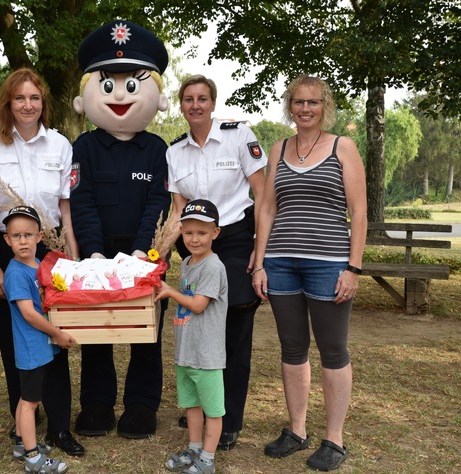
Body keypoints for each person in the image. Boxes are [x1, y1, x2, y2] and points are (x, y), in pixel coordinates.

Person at [251, 74, 367, 471]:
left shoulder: (343, 147)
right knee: (292, 347)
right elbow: (266, 208)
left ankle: (334, 439)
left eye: (313, 102)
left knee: (333, 350)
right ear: (290, 106)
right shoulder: (278, 148)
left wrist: (353, 268)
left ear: (325, 107)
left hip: (328, 264)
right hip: (281, 262)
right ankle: (296, 430)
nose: (305, 109)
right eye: (298, 102)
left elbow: (360, 212)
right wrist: (260, 260)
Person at [0, 68, 84, 456]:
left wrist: (72, 255)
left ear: (43, 103)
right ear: (8, 102)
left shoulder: (60, 145)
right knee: (16, 341)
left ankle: (60, 428)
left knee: (56, 335)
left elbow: (66, 208)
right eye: (19, 98)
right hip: (6, 248)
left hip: (49, 247)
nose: (27, 105)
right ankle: (24, 424)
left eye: (34, 98)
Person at [69, 19, 171, 439]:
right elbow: (81, 201)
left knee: (147, 332)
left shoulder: (158, 149)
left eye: (134, 82)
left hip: (144, 257)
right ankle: (96, 402)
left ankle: (142, 405)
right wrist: (93, 252)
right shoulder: (85, 148)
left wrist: (143, 251)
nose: (121, 94)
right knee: (96, 332)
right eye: (108, 83)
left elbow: (159, 203)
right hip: (97, 257)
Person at [162, 74, 267, 450]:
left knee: (235, 333)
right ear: (182, 104)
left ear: (212, 102)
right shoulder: (175, 152)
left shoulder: (239, 135)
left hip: (237, 240)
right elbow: (177, 211)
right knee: (199, 329)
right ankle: (206, 407)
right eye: (188, 98)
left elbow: (262, 195)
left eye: (202, 98)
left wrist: (260, 249)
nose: (195, 105)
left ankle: (229, 417)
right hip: (194, 247)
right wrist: (158, 254)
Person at [2, 205, 76, 474]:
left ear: (40, 237)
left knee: (28, 397)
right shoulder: (16, 274)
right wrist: (57, 334)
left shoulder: (37, 265)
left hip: (41, 345)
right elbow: (29, 315)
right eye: (16, 236)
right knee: (30, 401)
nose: (23, 241)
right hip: (32, 347)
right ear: (7, 240)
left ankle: (23, 443)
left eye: (28, 235)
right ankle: (32, 458)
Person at [155, 200, 228, 474]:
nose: (194, 239)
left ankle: (207, 459)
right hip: (186, 352)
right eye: (189, 233)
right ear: (181, 232)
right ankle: (195, 447)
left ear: (215, 233)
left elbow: (198, 304)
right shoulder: (186, 262)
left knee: (213, 410)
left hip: (206, 354)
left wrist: (170, 291)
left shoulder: (213, 267)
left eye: (202, 233)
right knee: (191, 405)